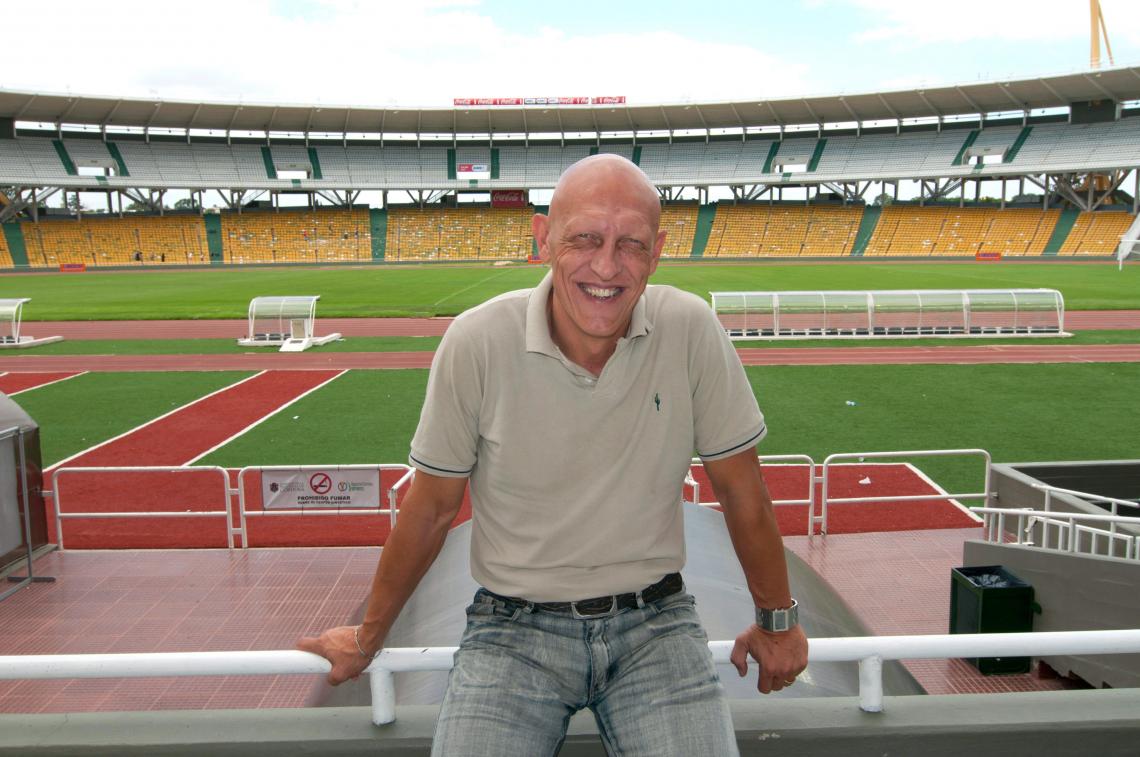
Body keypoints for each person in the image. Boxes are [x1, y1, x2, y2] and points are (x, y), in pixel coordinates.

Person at [299, 154, 808, 755]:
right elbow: (432, 507)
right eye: (585, 238)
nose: (606, 265)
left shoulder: (691, 329)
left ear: (659, 251)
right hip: (510, 631)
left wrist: (778, 621)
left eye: (631, 245)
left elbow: (741, 489)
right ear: (543, 237)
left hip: (657, 623)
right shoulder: (478, 341)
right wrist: (370, 635)